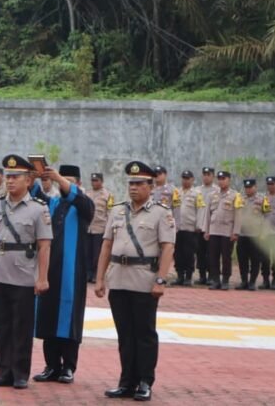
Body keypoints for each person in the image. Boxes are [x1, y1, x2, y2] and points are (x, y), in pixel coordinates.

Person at [95, 161, 175, 402]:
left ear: (151, 186)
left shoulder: (162, 212)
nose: (133, 188)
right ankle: (126, 381)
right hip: (118, 278)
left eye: (139, 183)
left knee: (144, 334)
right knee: (124, 334)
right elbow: (107, 245)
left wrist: (161, 279)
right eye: (131, 183)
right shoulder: (118, 210)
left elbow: (168, 247)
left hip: (143, 280)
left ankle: (144, 381)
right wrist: (100, 278)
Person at [0, 154, 52, 390]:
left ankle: (20, 373)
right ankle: (4, 371)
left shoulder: (38, 209)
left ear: (29, 181)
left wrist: (42, 277)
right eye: (8, 176)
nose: (10, 181)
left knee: (21, 327)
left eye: (15, 177)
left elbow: (44, 245)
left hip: (23, 275)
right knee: (1, 325)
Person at [32, 164, 94, 385]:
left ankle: (68, 366)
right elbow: (35, 195)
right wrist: (34, 175)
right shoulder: (53, 203)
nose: (60, 183)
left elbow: (78, 199)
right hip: (49, 269)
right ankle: (52, 365)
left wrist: (58, 177)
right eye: (59, 179)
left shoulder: (83, 204)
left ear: (76, 182)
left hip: (72, 270)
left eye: (66, 180)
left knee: (69, 319)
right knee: (47, 315)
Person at [203, 170, 242, 290]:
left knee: (226, 257)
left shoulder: (235, 195)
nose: (221, 181)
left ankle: (225, 280)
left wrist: (235, 232)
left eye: (223, 179)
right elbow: (207, 214)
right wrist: (206, 230)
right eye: (219, 179)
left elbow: (238, 215)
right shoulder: (212, 195)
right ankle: (215, 280)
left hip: (227, 231)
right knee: (213, 256)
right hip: (214, 230)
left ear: (229, 180)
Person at [236, 178, 269, 291]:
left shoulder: (262, 199)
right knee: (242, 259)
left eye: (250, 187)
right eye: (246, 187)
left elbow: (267, 217)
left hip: (256, 235)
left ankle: (252, 282)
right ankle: (244, 281)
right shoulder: (240, 199)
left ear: (255, 187)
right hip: (242, 234)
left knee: (255, 260)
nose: (248, 190)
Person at [85, 172, 114, 284]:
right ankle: (88, 274)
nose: (94, 183)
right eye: (93, 180)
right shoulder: (87, 193)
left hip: (100, 228)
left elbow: (110, 213)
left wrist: (109, 230)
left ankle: (96, 275)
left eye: (96, 180)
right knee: (87, 253)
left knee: (97, 254)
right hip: (88, 228)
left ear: (102, 181)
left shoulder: (108, 195)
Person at [172, 170, 199, 286]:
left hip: (190, 228)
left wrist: (198, 225)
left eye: (187, 178)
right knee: (178, 253)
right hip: (177, 228)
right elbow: (173, 208)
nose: (185, 180)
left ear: (192, 180)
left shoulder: (197, 193)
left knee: (189, 253)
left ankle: (188, 277)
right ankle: (179, 276)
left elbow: (200, 210)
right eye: (183, 178)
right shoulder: (176, 192)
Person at [194, 166, 216, 285]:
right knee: (200, 253)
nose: (206, 177)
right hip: (199, 227)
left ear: (213, 176)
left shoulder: (217, 191)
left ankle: (212, 276)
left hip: (212, 228)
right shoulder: (196, 191)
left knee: (211, 253)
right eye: (204, 174)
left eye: (208, 175)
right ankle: (202, 276)